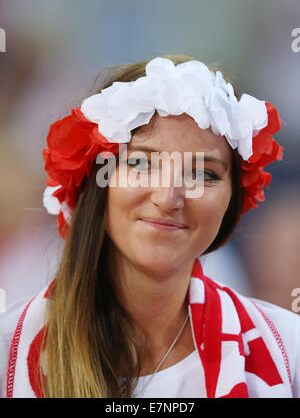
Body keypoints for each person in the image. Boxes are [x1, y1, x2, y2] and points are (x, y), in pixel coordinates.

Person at [1, 55, 299, 398]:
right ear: (97, 181)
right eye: (142, 163)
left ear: (233, 199)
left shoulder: (288, 351)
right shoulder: (7, 351)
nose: (168, 197)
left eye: (204, 173)